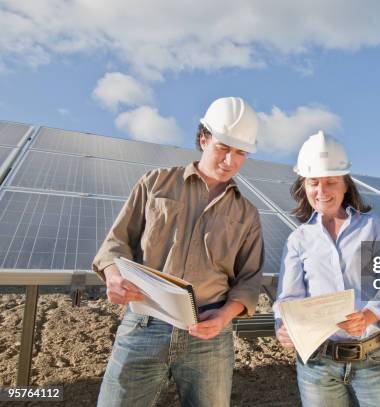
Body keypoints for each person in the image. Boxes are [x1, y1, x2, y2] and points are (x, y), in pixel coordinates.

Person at [92, 96, 264, 407]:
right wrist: (113, 276)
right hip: (144, 324)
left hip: (208, 335)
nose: (230, 160)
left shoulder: (247, 213)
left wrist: (224, 317)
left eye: (240, 152)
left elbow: (249, 280)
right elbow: (115, 243)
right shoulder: (155, 183)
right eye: (223, 147)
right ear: (203, 139)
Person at [273, 130, 380, 407]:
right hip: (317, 365)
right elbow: (288, 298)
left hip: (374, 359)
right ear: (304, 185)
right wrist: (283, 327)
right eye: (313, 183)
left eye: (330, 182)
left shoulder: (372, 227)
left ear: (346, 184)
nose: (321, 191)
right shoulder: (299, 239)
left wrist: (369, 315)